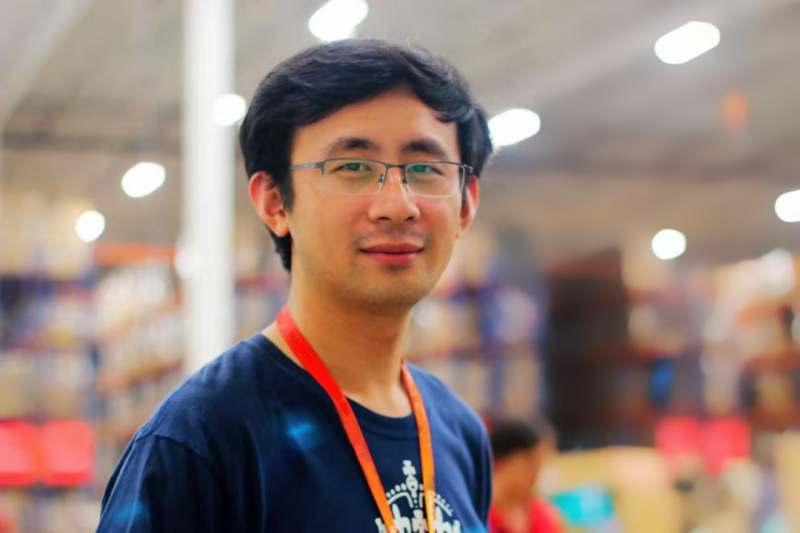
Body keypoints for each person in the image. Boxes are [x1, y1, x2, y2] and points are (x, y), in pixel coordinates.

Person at [97, 38, 494, 532]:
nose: (397, 205)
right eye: (353, 168)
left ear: (466, 204)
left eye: (426, 170)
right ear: (274, 202)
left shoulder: (458, 434)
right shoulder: (202, 441)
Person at [488, 420, 563, 533]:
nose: (536, 473)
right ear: (500, 462)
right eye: (530, 463)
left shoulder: (545, 515)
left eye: (539, 464)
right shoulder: (479, 516)